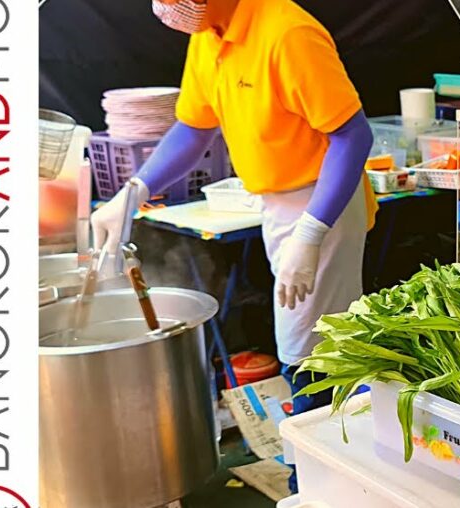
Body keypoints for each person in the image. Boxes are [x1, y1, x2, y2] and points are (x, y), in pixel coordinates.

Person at [90, 0, 378, 493]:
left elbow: (352, 137)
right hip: (273, 201)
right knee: (319, 338)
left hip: (323, 198)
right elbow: (192, 126)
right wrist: (133, 191)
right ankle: (339, 468)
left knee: (308, 347)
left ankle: (312, 482)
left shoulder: (287, 34)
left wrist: (311, 233)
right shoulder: (210, 34)